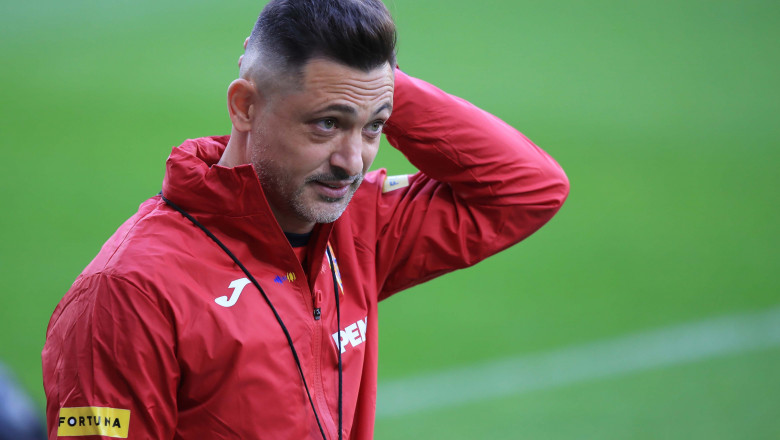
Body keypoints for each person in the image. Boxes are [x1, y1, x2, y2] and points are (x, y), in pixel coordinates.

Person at [42, 0, 569, 438]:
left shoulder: (359, 224)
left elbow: (527, 189)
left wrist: (377, 88)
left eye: (373, 127)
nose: (353, 161)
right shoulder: (128, 291)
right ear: (245, 106)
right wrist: (363, 95)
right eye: (327, 123)